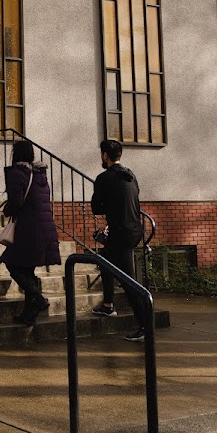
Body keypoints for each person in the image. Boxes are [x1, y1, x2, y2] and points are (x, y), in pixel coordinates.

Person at [90, 138, 147, 342]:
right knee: (105, 260)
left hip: (121, 233)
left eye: (102, 154)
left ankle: (144, 326)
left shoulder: (104, 178)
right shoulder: (130, 175)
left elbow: (96, 208)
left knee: (128, 281)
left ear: (105, 155)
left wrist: (107, 206)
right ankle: (108, 305)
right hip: (134, 229)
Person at [0, 140, 61, 325]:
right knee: (27, 269)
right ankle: (29, 314)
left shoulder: (17, 173)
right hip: (44, 227)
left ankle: (38, 298)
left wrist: (6, 211)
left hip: (28, 229)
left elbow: (16, 202)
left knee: (12, 264)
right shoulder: (39, 174)